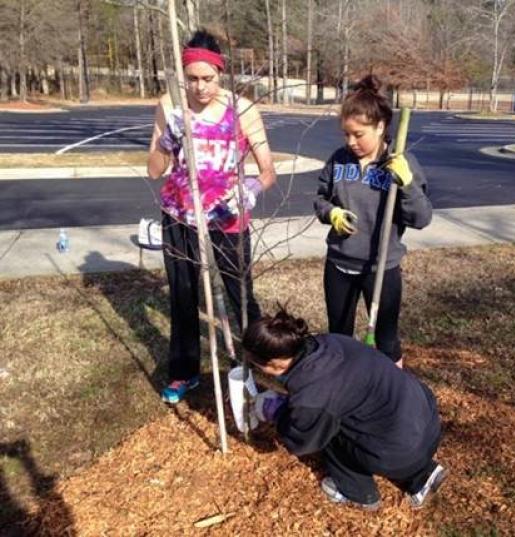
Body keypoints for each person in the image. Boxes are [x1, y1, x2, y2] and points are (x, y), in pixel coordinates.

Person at [146, 29, 276, 404]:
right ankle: (184, 372)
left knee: (242, 295)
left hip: (227, 218)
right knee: (183, 297)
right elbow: (154, 170)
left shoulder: (244, 110)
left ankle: (262, 361)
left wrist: (250, 189)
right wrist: (166, 143)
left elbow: (268, 171)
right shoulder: (170, 106)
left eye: (208, 79)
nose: (200, 87)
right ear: (182, 75)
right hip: (180, 216)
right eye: (192, 79)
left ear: (221, 74)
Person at [243, 308, 447, 510]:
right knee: (358, 416)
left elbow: (303, 441)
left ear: (273, 364)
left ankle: (358, 493)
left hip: (397, 451)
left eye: (256, 365)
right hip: (426, 422)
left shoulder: (313, 395)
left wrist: (277, 413)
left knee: (328, 431)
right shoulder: (327, 341)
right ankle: (422, 476)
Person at [314, 75, 432, 368]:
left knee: (386, 340)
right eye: (346, 134)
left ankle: (392, 395)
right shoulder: (339, 160)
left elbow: (421, 218)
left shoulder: (400, 163)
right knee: (339, 335)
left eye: (359, 134)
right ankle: (346, 389)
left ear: (380, 127)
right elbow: (320, 199)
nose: (351, 142)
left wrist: (407, 185)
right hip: (340, 264)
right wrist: (332, 214)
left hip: (381, 268)